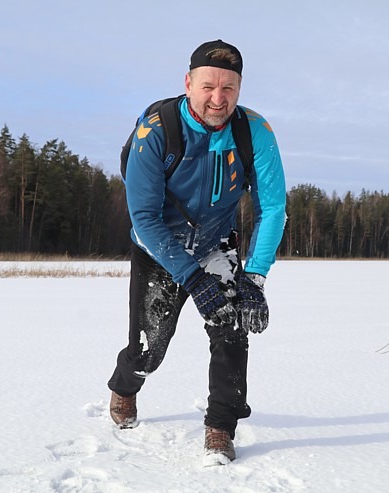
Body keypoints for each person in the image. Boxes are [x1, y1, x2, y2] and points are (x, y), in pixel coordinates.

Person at [107, 39, 287, 466]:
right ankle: (124, 386)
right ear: (188, 83)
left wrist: (254, 277)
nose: (217, 99)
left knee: (231, 331)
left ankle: (221, 426)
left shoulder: (254, 132)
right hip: (160, 248)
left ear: (239, 89)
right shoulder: (155, 130)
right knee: (149, 349)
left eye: (228, 88)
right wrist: (191, 277)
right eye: (208, 86)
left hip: (217, 243)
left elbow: (273, 207)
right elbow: (144, 218)